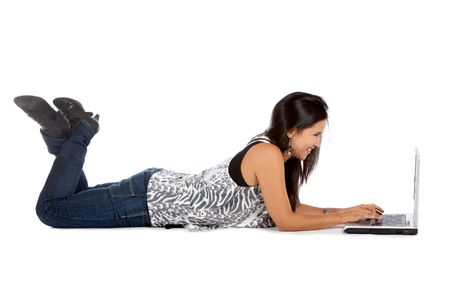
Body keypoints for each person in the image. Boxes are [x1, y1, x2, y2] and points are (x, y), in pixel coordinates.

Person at [14, 92, 384, 232]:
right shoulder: (268, 154)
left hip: (152, 190)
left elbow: (289, 207)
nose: (318, 144)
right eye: (315, 135)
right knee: (51, 210)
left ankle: (60, 134)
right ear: (293, 131)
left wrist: (348, 209)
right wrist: (343, 219)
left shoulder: (279, 155)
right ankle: (80, 131)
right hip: (147, 202)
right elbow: (286, 221)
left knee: (70, 194)